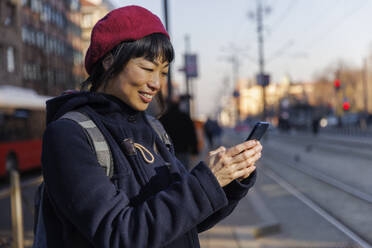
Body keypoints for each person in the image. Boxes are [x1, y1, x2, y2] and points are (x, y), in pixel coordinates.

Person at [36, 5, 263, 248]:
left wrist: (228, 182)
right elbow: (118, 234)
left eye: (163, 72)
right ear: (109, 60)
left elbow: (183, 221)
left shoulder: (153, 129)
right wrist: (208, 181)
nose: (156, 83)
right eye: (147, 68)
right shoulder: (69, 135)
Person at [160, 97, 199, 170]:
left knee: (170, 171)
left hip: (168, 151)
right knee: (184, 171)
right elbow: (191, 134)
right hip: (183, 149)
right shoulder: (185, 117)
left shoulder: (164, 118)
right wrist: (194, 150)